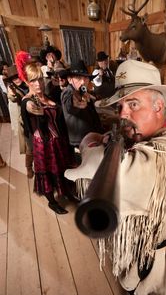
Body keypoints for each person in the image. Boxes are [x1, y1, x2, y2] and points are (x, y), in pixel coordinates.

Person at [65, 60, 166, 295]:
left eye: (134, 104)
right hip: (137, 236)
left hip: (149, 245)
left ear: (159, 106)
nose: (123, 113)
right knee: (131, 274)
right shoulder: (148, 137)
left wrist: (90, 141)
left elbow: (120, 174)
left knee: (140, 281)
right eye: (122, 105)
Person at [16, 51, 75, 214]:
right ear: (27, 81)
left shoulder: (47, 95)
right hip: (44, 145)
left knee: (62, 168)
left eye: (40, 79)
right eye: (33, 80)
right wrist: (28, 105)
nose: (38, 84)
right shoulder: (29, 101)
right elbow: (27, 106)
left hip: (58, 141)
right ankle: (52, 202)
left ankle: (67, 192)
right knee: (48, 173)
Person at [61, 60, 103, 148]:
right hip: (81, 142)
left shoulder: (83, 91)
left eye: (85, 78)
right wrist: (77, 100)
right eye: (78, 78)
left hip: (91, 139)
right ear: (69, 79)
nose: (83, 82)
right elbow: (70, 104)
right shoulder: (68, 92)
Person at [4, 64, 32, 177]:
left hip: (36, 117)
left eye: (18, 76)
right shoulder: (13, 89)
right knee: (29, 148)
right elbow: (13, 98)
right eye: (13, 78)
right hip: (25, 121)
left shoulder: (28, 84)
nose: (16, 79)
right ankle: (29, 167)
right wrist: (12, 93)